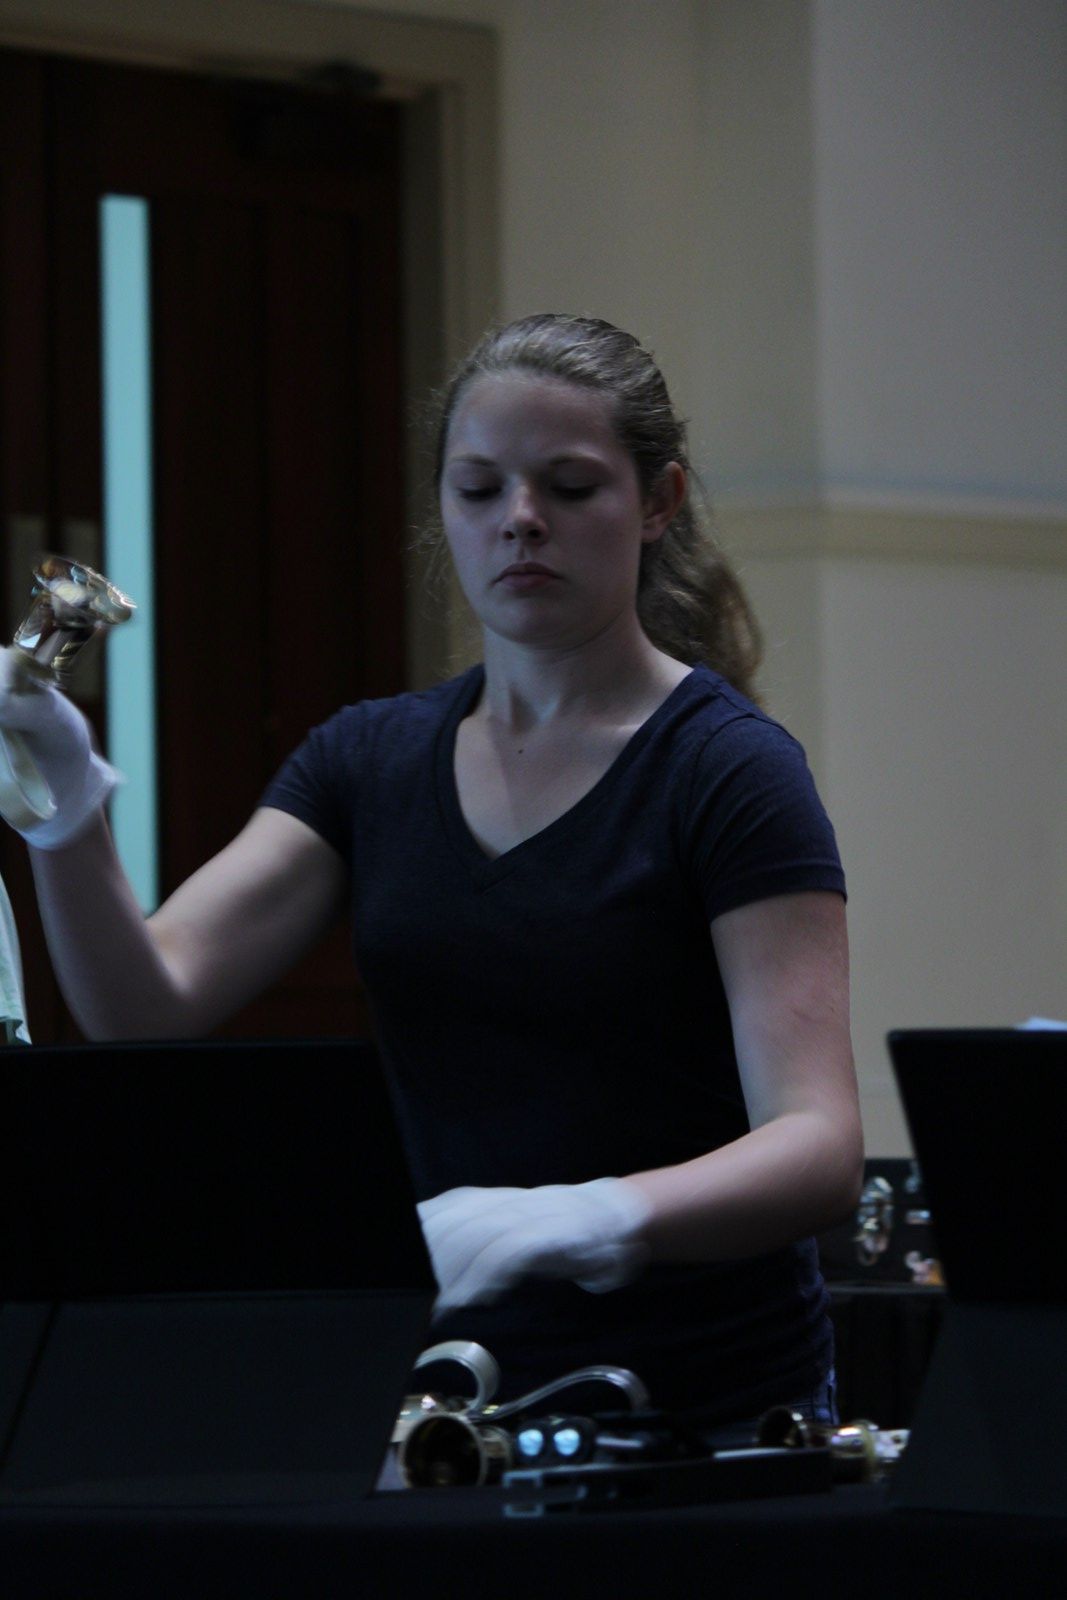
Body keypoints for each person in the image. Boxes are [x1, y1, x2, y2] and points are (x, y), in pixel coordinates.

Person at [0, 313, 863, 1429]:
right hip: (443, 1390)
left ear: (658, 502)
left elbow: (816, 1146)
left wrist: (596, 1216)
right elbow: (142, 1004)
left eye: (569, 486)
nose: (520, 519)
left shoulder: (726, 770)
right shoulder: (369, 759)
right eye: (479, 488)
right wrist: (66, 811)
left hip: (703, 1404)